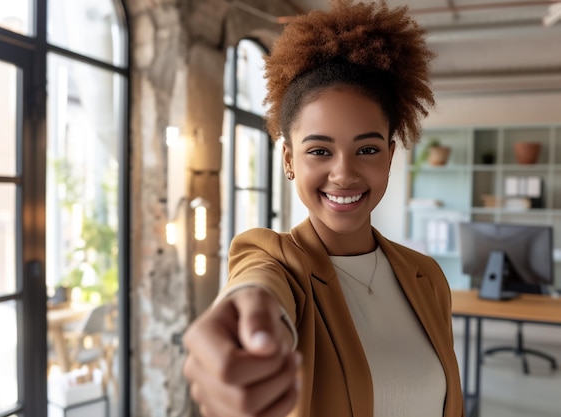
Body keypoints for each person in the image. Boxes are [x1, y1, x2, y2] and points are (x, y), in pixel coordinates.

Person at [182, 1, 465, 416]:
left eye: (366, 149)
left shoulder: (428, 277)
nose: (344, 173)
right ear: (289, 161)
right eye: (319, 150)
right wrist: (250, 324)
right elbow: (257, 284)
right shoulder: (279, 264)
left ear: (389, 156)